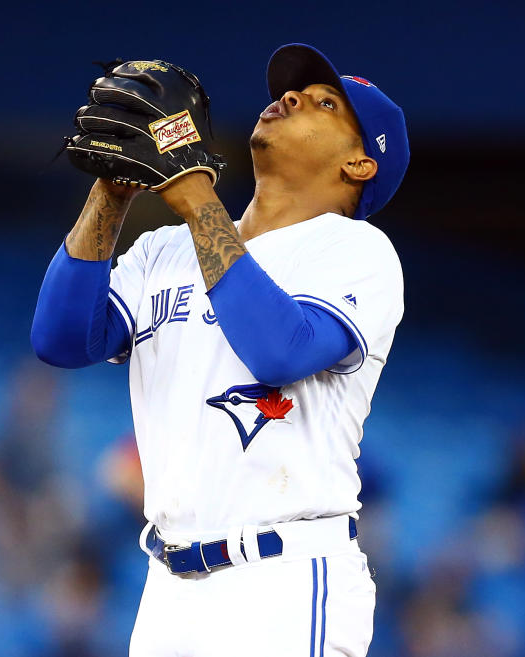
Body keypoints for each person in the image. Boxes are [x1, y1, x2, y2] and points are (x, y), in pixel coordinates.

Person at [31, 43, 408, 657]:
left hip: (282, 578)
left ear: (360, 164)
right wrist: (113, 190)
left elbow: (279, 351)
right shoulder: (166, 249)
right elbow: (60, 339)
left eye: (323, 103)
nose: (287, 98)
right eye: (287, 92)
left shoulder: (358, 253)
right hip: (168, 589)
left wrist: (193, 192)